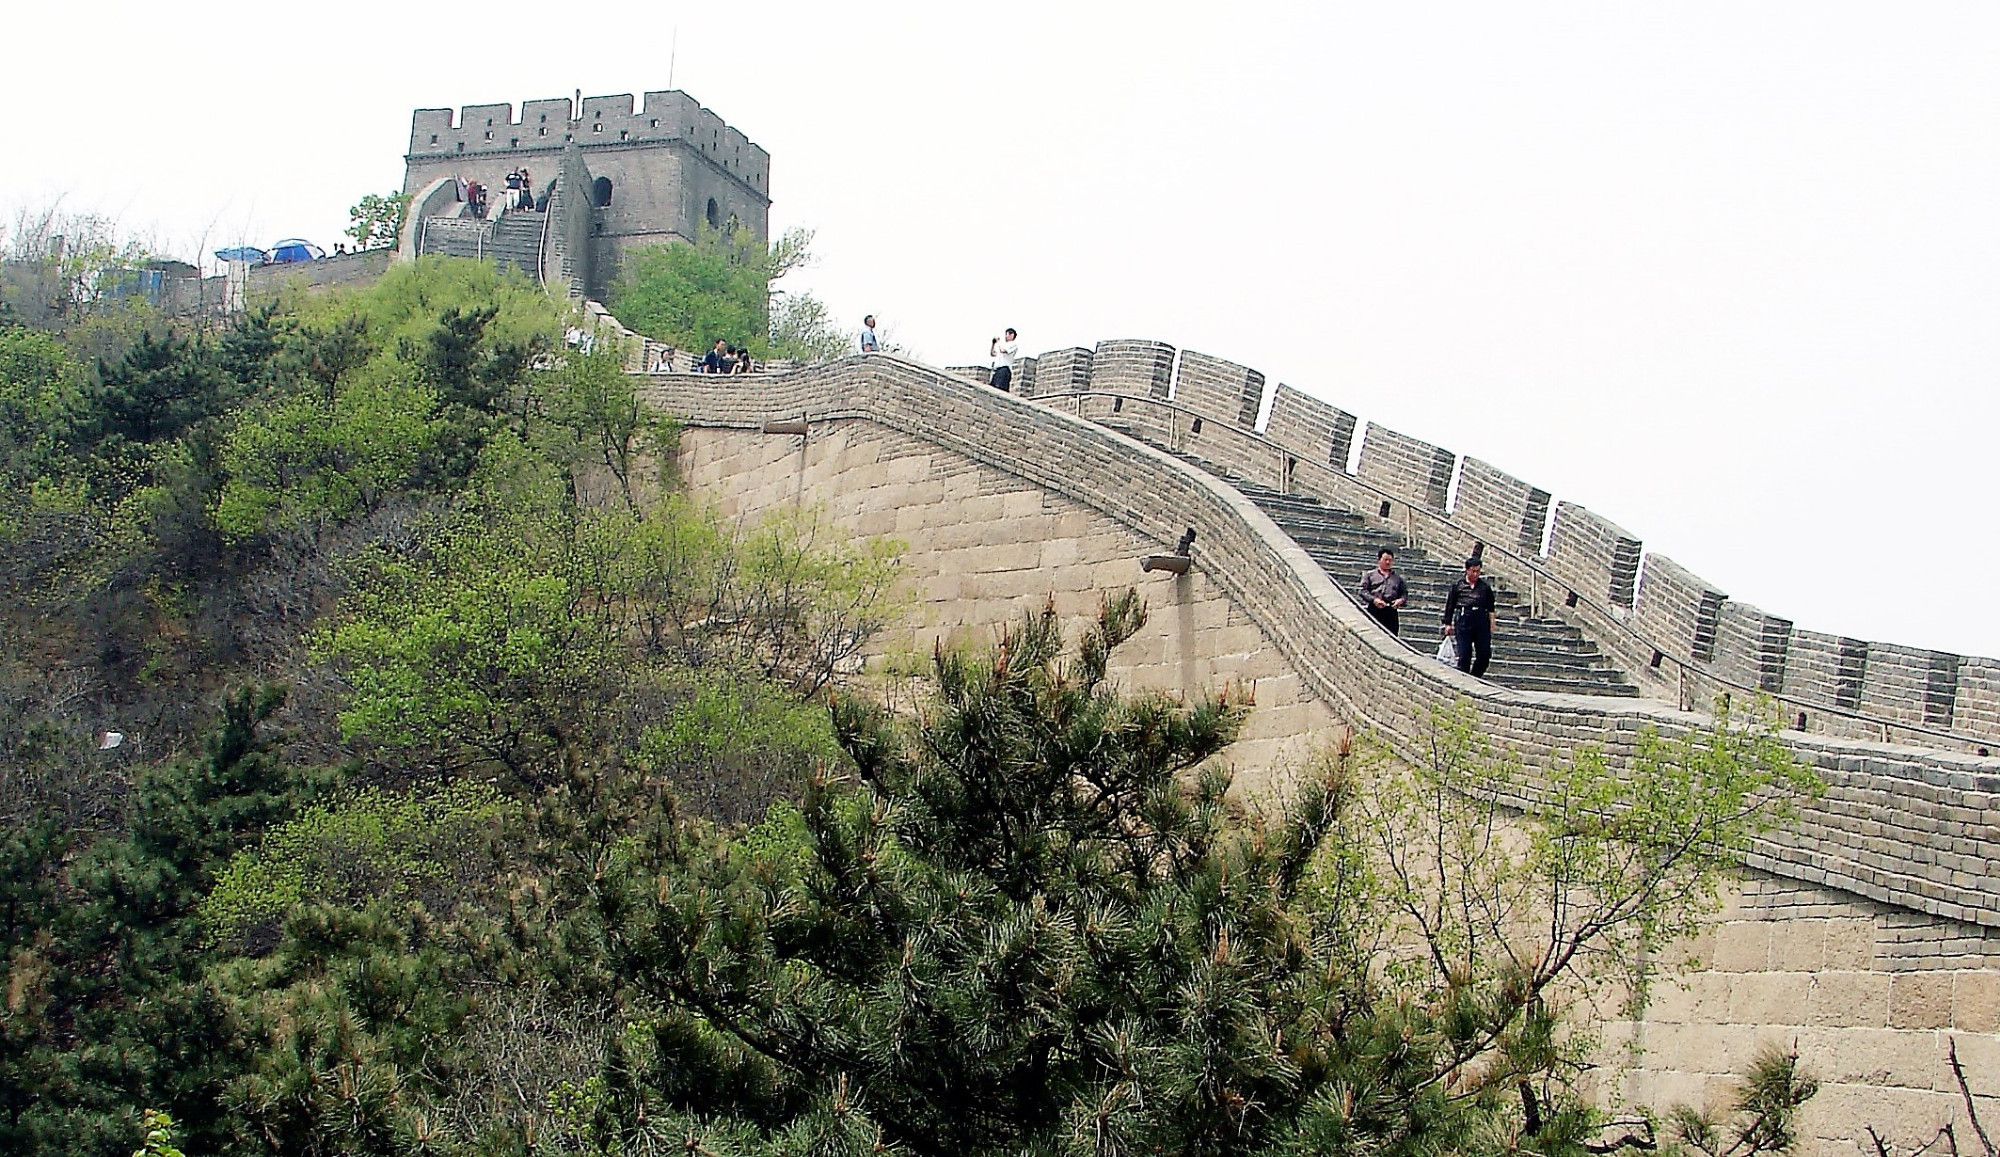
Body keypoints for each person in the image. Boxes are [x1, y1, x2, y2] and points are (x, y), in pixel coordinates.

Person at [1441, 557, 1497, 677]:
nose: (1475, 574)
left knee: (1484, 653)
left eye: (1478, 571)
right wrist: (1447, 623)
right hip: (1464, 619)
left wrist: (1492, 623)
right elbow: (1450, 605)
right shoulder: (1458, 585)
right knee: (1465, 654)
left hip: (1481, 620)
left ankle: (1475, 676)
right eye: (1473, 571)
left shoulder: (1485, 587)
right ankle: (1464, 677)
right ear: (1467, 570)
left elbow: (1491, 607)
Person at [1359, 548, 1407, 636]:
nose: (1388, 562)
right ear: (1379, 560)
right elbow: (1363, 591)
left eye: (1390, 560)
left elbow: (1404, 594)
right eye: (1385, 560)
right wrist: (1374, 600)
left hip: (1391, 610)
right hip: (1374, 609)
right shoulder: (1370, 575)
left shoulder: (1398, 578)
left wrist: (1400, 600)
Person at [989, 327, 1019, 392]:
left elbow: (1003, 350)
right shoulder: (1003, 345)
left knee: (1000, 389)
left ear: (1012, 335)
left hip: (1004, 370)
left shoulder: (1013, 344)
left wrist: (998, 341)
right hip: (997, 370)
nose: (1005, 336)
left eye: (1007, 334)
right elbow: (993, 354)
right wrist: (993, 344)